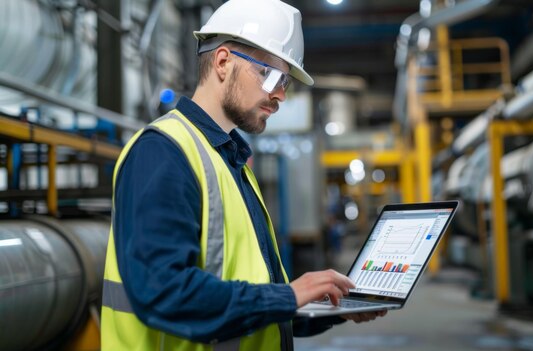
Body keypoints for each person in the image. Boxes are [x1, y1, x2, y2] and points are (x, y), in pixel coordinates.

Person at [100, 0, 384, 350]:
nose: (280, 95)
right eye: (273, 76)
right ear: (223, 62)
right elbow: (163, 293)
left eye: (286, 83)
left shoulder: (232, 165)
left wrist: (331, 308)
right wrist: (286, 295)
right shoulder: (163, 153)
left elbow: (254, 303)